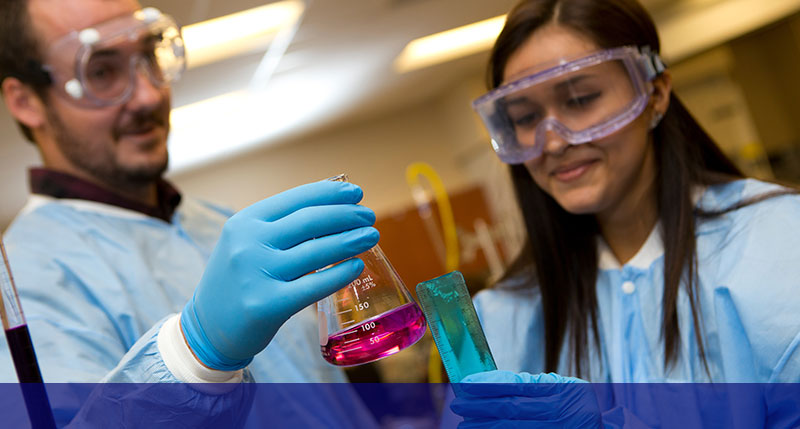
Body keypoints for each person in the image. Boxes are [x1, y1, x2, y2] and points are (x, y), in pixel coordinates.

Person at [0, 0, 381, 426]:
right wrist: (191, 360)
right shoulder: (23, 285)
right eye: (102, 71)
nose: (148, 94)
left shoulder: (218, 225)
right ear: (25, 100)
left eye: (147, 56)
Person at [449, 0, 800, 426]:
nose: (554, 142)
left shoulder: (780, 242)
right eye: (525, 117)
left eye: (580, 99)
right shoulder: (504, 314)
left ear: (654, 92)